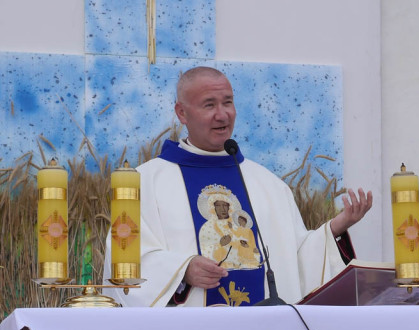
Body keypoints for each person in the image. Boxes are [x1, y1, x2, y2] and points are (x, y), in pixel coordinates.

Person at [104, 66, 372, 307]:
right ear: (181, 113)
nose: (222, 115)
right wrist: (181, 270)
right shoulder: (144, 183)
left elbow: (295, 259)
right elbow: (125, 261)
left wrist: (336, 227)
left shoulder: (266, 184)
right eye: (209, 105)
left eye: (228, 102)